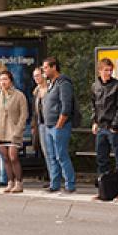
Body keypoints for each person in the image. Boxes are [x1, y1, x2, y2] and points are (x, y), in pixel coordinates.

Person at [90, 58, 118, 201]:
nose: (108, 73)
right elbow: (94, 105)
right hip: (101, 127)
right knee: (101, 160)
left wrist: (115, 125)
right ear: (100, 70)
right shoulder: (95, 86)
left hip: (113, 128)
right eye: (106, 70)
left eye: (110, 70)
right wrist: (94, 122)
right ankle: (103, 190)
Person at [0, 70, 29, 193]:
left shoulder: (19, 95)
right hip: (1, 130)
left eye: (5, 79)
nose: (2, 82)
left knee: (13, 156)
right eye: (0, 80)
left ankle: (19, 182)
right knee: (5, 157)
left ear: (10, 80)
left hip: (14, 131)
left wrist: (19, 129)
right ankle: (10, 182)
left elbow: (23, 114)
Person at [41, 57, 77, 194]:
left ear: (53, 67)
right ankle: (54, 183)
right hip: (48, 125)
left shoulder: (63, 82)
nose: (44, 71)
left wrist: (60, 123)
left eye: (45, 68)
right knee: (52, 156)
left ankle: (70, 184)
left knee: (61, 155)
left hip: (59, 125)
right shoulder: (51, 83)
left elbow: (66, 105)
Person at [31, 67, 55, 189]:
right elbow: (35, 111)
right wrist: (33, 125)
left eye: (38, 75)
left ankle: (56, 179)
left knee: (54, 152)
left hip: (51, 123)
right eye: (34, 76)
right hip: (40, 124)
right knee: (46, 152)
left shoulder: (51, 89)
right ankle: (52, 178)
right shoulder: (36, 91)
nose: (36, 78)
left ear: (44, 75)